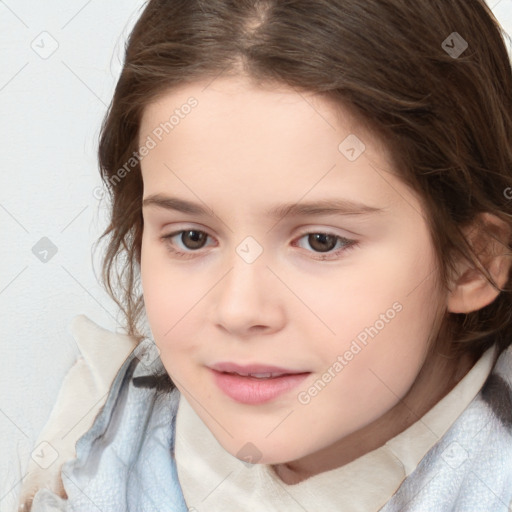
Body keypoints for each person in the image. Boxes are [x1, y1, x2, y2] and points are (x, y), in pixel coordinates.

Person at [24, 0, 512, 510]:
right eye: (191, 237)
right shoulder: (96, 435)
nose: (238, 310)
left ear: (470, 260)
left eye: (321, 241)